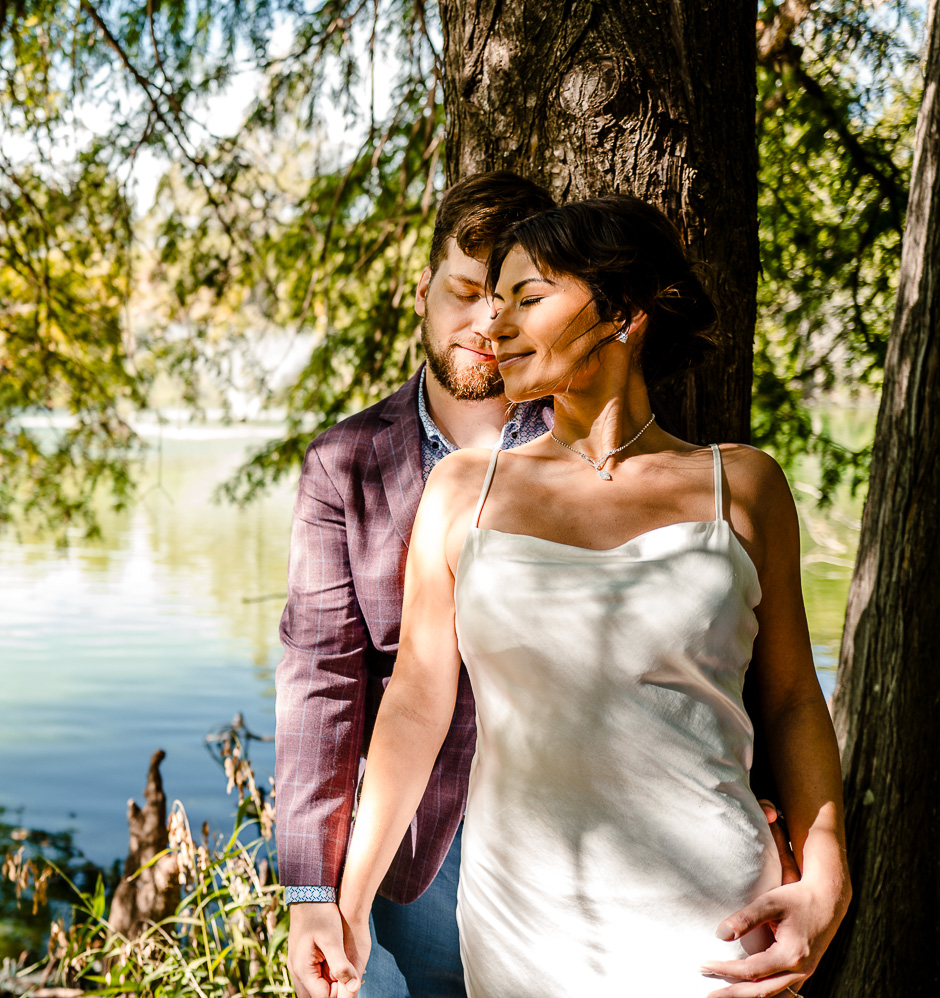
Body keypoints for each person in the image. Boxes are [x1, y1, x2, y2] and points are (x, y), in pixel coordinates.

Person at [332, 196, 850, 998]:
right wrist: (349, 899)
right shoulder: (463, 489)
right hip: (521, 924)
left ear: (622, 312)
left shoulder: (742, 485)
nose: (494, 325)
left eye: (526, 299)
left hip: (715, 923)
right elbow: (414, 706)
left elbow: (788, 698)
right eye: (492, 300)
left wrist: (827, 880)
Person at [276, 172, 557, 998]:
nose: (484, 323)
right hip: (418, 844)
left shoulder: (585, 443)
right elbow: (319, 682)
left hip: (569, 826)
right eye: (464, 291)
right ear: (423, 289)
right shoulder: (344, 465)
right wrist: (309, 892)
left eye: (511, 301)